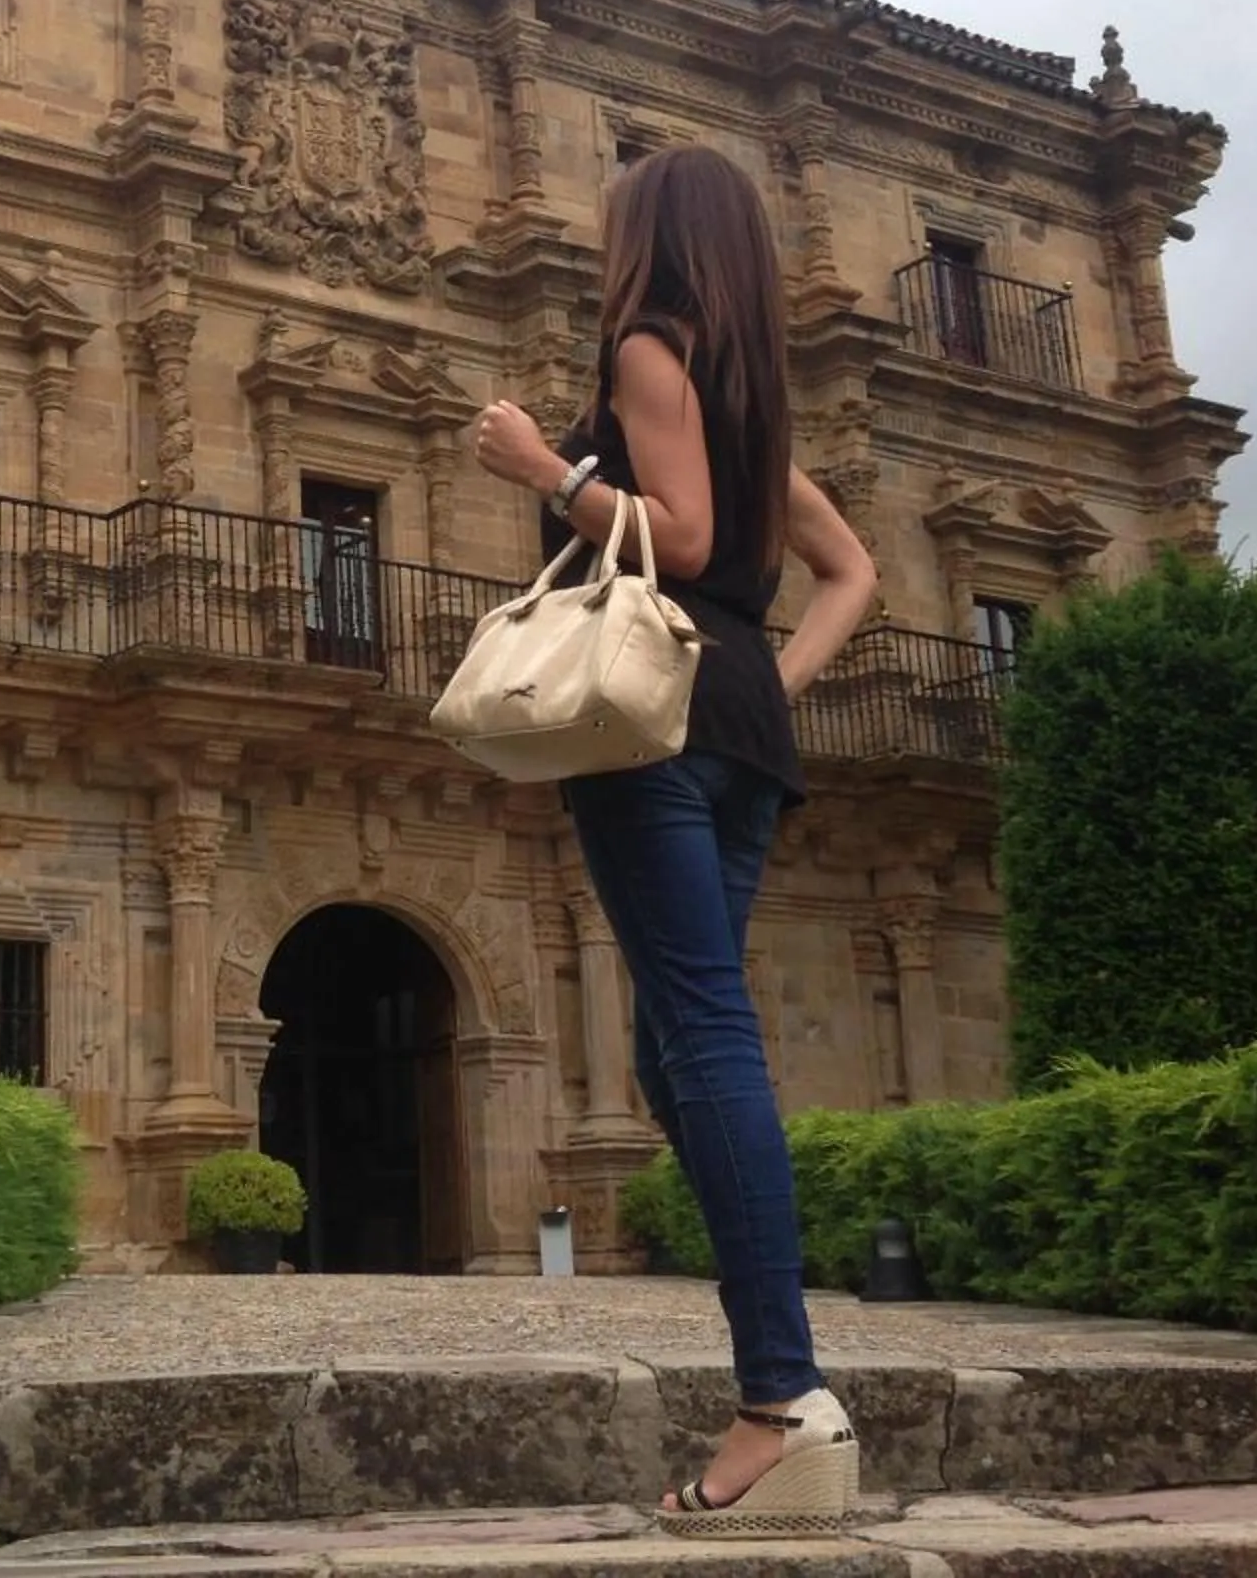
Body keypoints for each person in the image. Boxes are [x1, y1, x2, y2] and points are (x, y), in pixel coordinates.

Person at [467, 144, 879, 1538]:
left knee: (700, 1031)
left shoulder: (651, 350)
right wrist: (772, 679)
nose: (596, 228)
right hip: (740, 732)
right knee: (672, 1040)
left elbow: (683, 534)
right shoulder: (749, 390)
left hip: (654, 735)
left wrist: (540, 464)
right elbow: (854, 570)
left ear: (653, 235)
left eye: (614, 212)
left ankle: (782, 1399)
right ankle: (785, 1385)